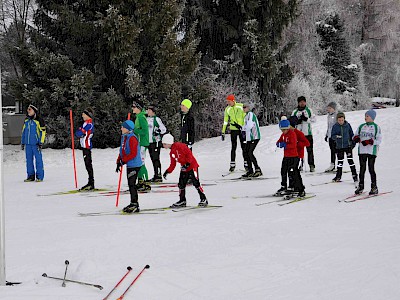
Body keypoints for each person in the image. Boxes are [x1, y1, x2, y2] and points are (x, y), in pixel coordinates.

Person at [162, 133, 208, 208]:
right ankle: (182, 200)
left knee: (196, 182)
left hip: (192, 166)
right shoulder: (172, 152)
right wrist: (167, 171)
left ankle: (203, 198)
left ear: (168, 143)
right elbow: (173, 164)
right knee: (181, 184)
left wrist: (187, 163)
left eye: (164, 144)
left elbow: (189, 154)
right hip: (184, 168)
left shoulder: (180, 146)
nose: (163, 146)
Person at [353, 109, 382, 195]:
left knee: (371, 168)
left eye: (367, 116)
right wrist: (356, 138)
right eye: (365, 116)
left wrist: (370, 142)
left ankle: (374, 187)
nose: (365, 118)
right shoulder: (361, 126)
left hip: (371, 151)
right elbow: (355, 135)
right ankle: (361, 186)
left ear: (372, 117)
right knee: (362, 169)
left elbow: (379, 140)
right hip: (362, 150)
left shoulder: (376, 127)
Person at [116, 120, 142, 213]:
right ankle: (133, 202)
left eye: (123, 127)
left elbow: (133, 153)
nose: (121, 128)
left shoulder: (132, 138)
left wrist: (123, 161)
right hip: (129, 164)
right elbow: (122, 150)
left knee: (132, 184)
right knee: (130, 184)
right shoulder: (124, 137)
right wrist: (118, 160)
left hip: (134, 164)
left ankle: (135, 204)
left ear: (128, 129)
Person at [276, 119, 305, 197]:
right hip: (286, 157)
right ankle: (284, 186)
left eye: (285, 129)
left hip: (293, 157)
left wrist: (285, 145)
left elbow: (293, 145)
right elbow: (278, 141)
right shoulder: (283, 135)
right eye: (282, 130)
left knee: (293, 173)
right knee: (283, 171)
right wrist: (279, 144)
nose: (283, 131)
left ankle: (299, 188)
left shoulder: (292, 134)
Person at [221, 94, 247, 172]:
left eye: (229, 101)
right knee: (233, 147)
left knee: (244, 147)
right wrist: (223, 132)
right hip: (233, 129)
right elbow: (225, 121)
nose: (228, 103)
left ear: (233, 100)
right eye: (227, 101)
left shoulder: (240, 106)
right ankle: (232, 165)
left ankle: (246, 164)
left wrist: (245, 127)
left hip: (242, 129)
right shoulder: (227, 109)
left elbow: (246, 117)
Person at [330, 112, 358, 183]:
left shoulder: (347, 125)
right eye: (339, 120)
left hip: (348, 146)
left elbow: (352, 135)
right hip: (339, 147)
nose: (341, 122)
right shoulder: (335, 126)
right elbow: (332, 136)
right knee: (340, 162)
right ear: (337, 120)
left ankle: (355, 176)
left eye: (342, 120)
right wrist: (336, 137)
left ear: (344, 119)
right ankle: (338, 176)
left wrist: (353, 143)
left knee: (350, 161)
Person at [21, 104, 46, 182]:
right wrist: (22, 142)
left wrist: (40, 142)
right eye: (28, 109)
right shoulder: (26, 120)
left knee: (38, 160)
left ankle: (40, 176)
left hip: (36, 144)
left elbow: (43, 132)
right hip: (28, 144)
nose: (28, 111)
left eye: (30, 109)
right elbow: (23, 132)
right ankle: (30, 176)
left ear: (34, 111)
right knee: (29, 160)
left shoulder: (39, 120)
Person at [291, 96, 316, 172]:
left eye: (303, 102)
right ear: (298, 103)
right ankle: (299, 165)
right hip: (298, 135)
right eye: (300, 102)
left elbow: (314, 120)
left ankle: (311, 165)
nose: (302, 103)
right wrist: (296, 122)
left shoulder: (309, 110)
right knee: (298, 150)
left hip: (308, 134)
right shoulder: (295, 111)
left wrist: (306, 119)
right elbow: (291, 122)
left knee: (310, 150)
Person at [131, 99, 151, 192]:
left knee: (141, 163)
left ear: (139, 108)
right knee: (138, 162)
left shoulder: (141, 117)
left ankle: (145, 183)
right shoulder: (138, 116)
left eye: (134, 107)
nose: (132, 108)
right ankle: (140, 181)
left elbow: (144, 131)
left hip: (142, 143)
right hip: (139, 143)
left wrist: (135, 130)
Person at [286, 116, 310, 192]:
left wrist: (297, 143)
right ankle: (292, 185)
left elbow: (307, 143)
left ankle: (299, 187)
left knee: (294, 170)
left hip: (298, 155)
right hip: (290, 155)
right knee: (289, 170)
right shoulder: (288, 133)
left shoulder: (298, 133)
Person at [75, 108, 95, 190]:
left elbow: (79, 133)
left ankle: (91, 183)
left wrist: (80, 132)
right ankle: (90, 182)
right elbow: (78, 133)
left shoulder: (89, 124)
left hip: (87, 146)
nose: (82, 115)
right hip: (84, 146)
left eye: (84, 114)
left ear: (88, 115)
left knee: (88, 165)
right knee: (87, 165)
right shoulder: (85, 123)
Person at [146, 104, 167, 182]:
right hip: (149, 142)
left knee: (156, 159)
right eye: (147, 110)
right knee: (152, 158)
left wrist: (158, 131)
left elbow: (164, 129)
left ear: (153, 112)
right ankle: (155, 175)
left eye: (149, 110)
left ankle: (158, 175)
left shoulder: (157, 119)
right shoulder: (146, 119)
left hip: (155, 142)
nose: (148, 112)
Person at [241, 103, 262, 178]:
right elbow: (245, 126)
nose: (243, 109)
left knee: (250, 153)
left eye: (245, 107)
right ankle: (250, 170)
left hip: (255, 136)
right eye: (242, 107)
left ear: (248, 108)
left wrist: (243, 129)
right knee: (246, 152)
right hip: (250, 138)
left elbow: (249, 126)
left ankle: (257, 169)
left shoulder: (250, 114)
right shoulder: (246, 115)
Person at [325, 102, 338, 172]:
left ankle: (339, 165)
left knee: (336, 151)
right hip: (330, 136)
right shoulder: (328, 116)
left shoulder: (336, 116)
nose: (328, 109)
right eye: (328, 108)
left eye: (330, 108)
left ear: (333, 109)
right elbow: (329, 126)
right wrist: (327, 135)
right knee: (332, 150)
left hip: (335, 136)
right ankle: (332, 164)